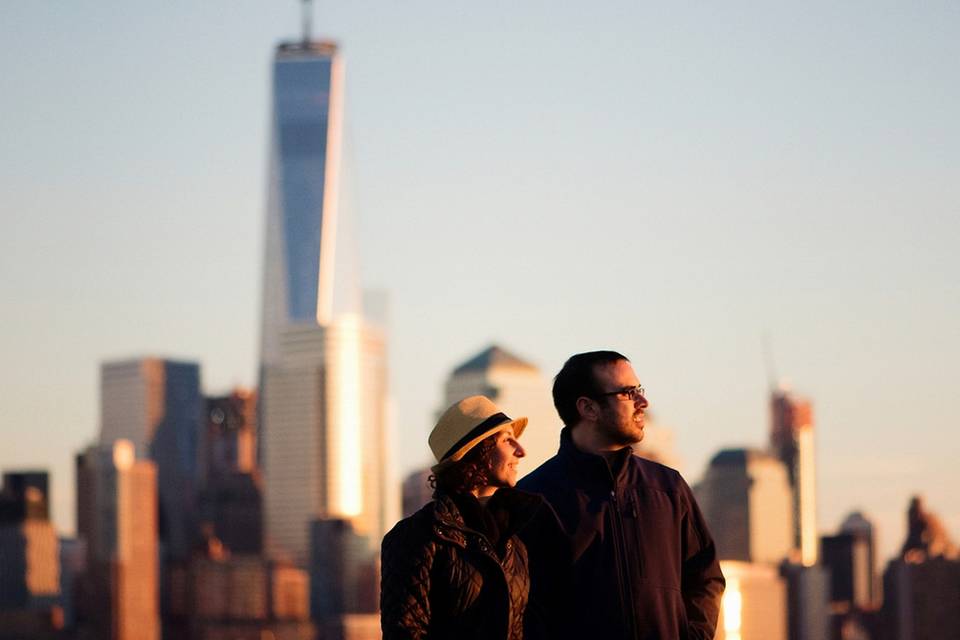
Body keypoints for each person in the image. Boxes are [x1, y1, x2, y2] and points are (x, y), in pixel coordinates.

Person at [518, 351, 725, 640]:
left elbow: (705, 578)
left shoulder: (668, 487)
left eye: (640, 390)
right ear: (588, 408)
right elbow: (522, 604)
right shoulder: (534, 497)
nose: (643, 403)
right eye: (628, 393)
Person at [380, 395, 569, 640]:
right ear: (479, 451)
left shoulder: (517, 539)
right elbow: (405, 632)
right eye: (507, 440)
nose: (521, 451)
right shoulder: (417, 536)